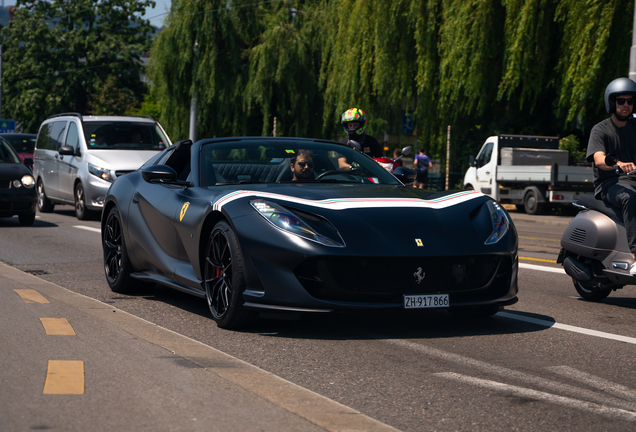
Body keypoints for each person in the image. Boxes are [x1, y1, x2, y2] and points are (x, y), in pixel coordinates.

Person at [587, 77, 636, 274]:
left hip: (633, 180)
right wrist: (618, 164)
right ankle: (635, 256)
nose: (626, 105)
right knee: (630, 197)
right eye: (621, 101)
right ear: (611, 102)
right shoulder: (600, 130)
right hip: (609, 184)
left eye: (630, 101)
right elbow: (599, 159)